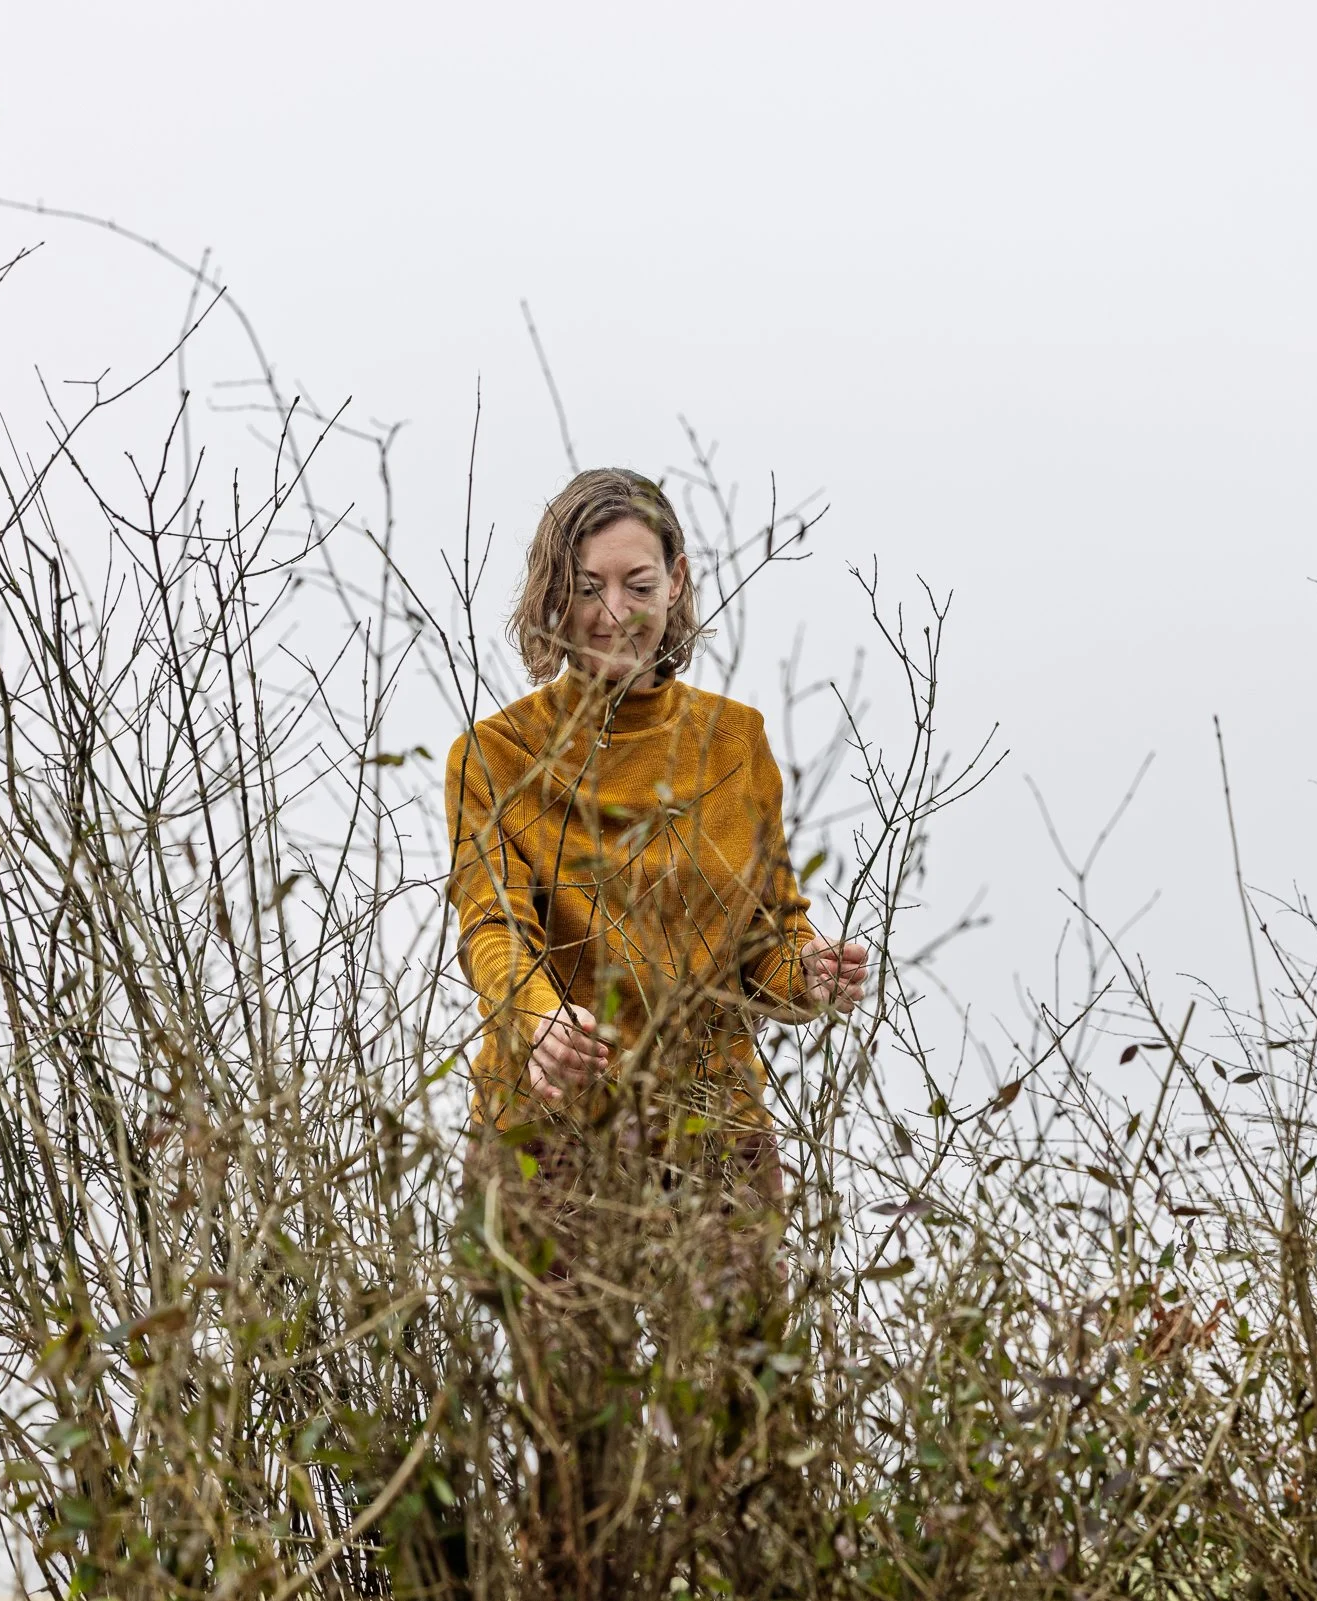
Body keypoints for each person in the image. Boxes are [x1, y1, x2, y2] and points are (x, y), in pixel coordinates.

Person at [441, 466, 869, 1593]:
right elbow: (492, 929)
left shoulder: (736, 742)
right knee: (580, 1455)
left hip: (712, 1128)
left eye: (639, 583)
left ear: (678, 583)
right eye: (589, 587)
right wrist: (540, 1019)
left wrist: (810, 972)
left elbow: (766, 939)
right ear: (553, 594)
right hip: (554, 1132)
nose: (615, 612)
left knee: (746, 1431)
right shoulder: (494, 756)